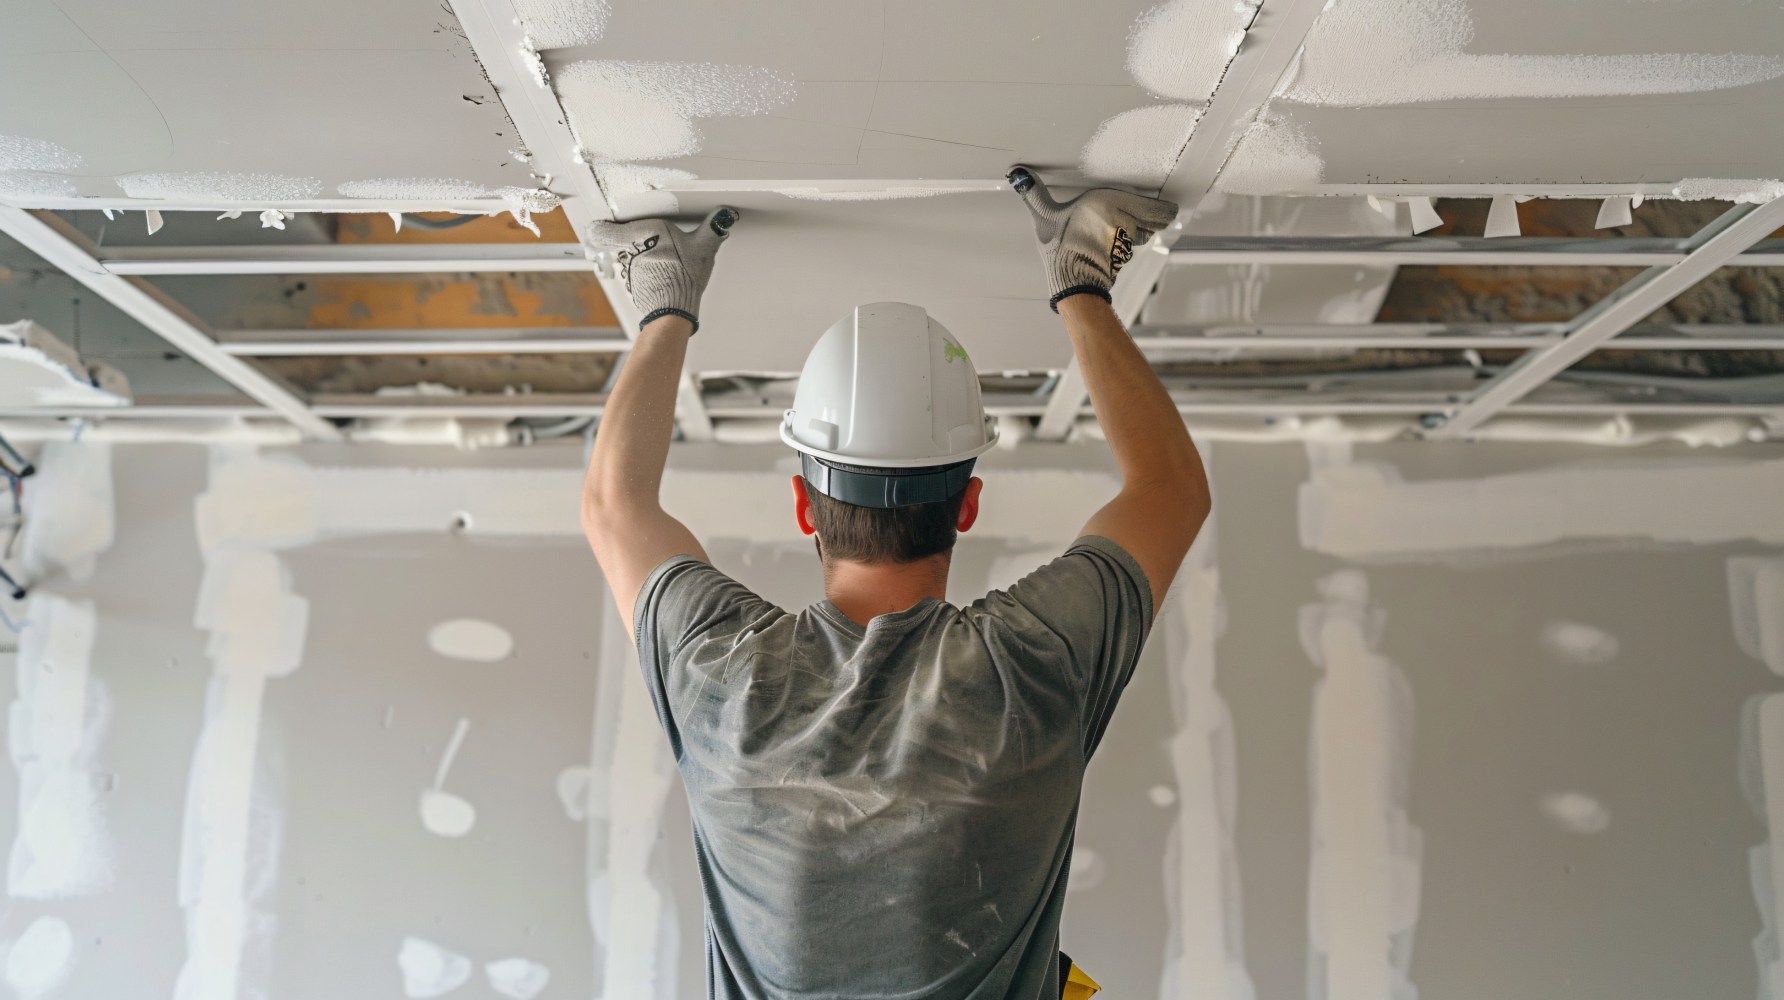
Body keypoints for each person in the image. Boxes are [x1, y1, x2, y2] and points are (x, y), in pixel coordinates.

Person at [580, 167, 1211, 1000]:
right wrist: (669, 292)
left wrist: (1081, 273)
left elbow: (613, 505)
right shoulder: (1025, 670)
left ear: (805, 508)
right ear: (968, 505)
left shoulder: (726, 682)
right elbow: (1169, 490)